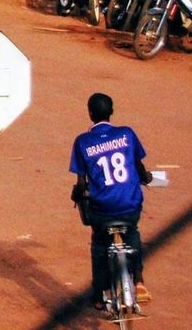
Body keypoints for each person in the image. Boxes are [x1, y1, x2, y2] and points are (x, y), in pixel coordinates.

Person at [70, 92, 152, 309]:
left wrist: (77, 194)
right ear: (112, 111)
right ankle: (139, 279)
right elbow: (138, 166)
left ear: (90, 114)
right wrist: (146, 177)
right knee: (132, 231)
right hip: (130, 204)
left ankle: (98, 295)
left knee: (99, 243)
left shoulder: (83, 142)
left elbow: (81, 182)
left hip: (102, 209)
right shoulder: (127, 134)